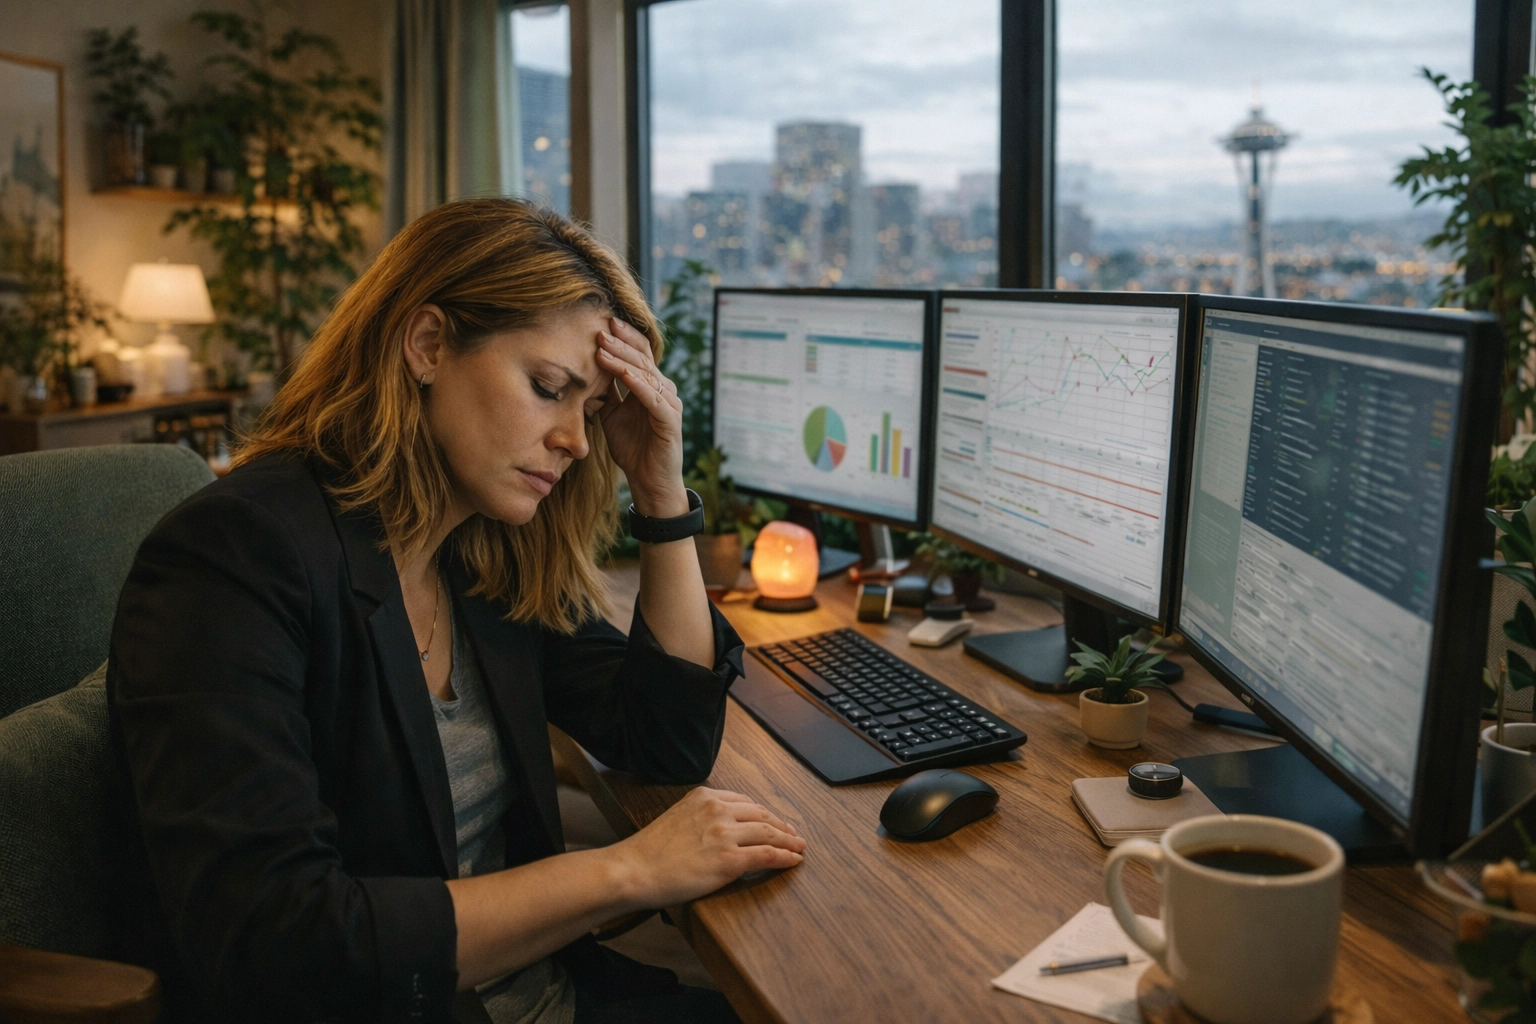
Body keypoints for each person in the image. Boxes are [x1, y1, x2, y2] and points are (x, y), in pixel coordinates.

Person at [105, 197, 807, 1024]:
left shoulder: (478, 554)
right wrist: (629, 872)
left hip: (541, 996)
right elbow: (277, 944)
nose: (577, 443)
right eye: (548, 388)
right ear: (428, 344)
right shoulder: (234, 558)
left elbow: (666, 739)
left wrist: (659, 491)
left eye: (589, 410)